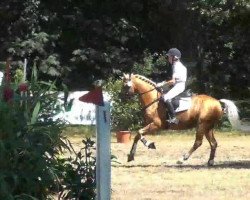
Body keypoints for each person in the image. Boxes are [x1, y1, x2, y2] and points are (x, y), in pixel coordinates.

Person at [156, 48, 187, 124]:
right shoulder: (176, 65)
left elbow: (173, 81)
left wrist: (161, 84)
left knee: (166, 97)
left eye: (169, 57)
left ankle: (173, 118)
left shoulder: (177, 66)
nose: (168, 58)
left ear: (174, 57)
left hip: (179, 86)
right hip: (177, 84)